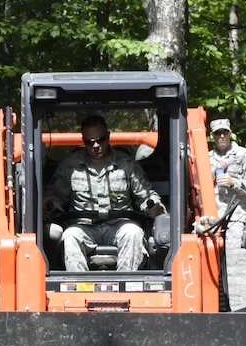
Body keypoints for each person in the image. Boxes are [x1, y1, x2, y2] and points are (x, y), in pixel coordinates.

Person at [46, 115, 164, 271]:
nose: (95, 145)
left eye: (100, 140)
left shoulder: (126, 164)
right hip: (83, 226)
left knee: (133, 233)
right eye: (90, 142)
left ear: (108, 137)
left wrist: (154, 206)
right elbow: (54, 195)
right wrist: (50, 206)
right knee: (70, 237)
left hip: (119, 224)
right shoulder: (70, 165)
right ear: (83, 140)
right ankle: (80, 288)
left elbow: (146, 194)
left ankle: (125, 286)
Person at [208, 118, 246, 239]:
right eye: (218, 133)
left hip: (235, 218)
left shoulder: (244, 155)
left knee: (233, 254)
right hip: (211, 219)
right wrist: (214, 173)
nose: (222, 136)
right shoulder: (206, 158)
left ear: (230, 133)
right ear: (212, 135)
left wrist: (234, 182)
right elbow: (196, 187)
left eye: (225, 132)